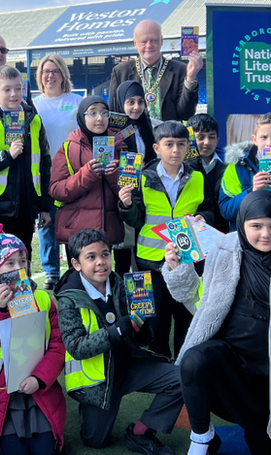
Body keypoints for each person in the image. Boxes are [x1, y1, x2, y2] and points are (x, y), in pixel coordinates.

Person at [164, 190, 271, 455]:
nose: (265, 234)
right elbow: (204, 305)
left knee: (264, 445)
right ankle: (202, 437)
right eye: (256, 226)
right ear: (242, 224)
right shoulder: (223, 253)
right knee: (195, 359)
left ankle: (260, 427)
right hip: (230, 370)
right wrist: (179, 271)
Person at [55, 228, 183, 454]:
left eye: (105, 254)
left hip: (129, 366)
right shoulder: (68, 298)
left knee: (182, 378)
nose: (101, 262)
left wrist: (143, 331)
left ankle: (140, 432)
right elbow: (76, 347)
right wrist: (117, 332)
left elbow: (138, 336)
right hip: (100, 380)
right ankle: (89, 409)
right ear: (76, 264)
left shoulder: (124, 284)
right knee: (94, 441)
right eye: (91, 257)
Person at [0, 234, 67, 455]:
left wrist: (39, 379)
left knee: (45, 450)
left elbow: (58, 346)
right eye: (10, 263)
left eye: (23, 261)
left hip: (38, 389)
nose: (19, 267)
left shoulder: (42, 298)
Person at [120, 121, 208, 359]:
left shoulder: (197, 177)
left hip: (186, 259)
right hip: (151, 260)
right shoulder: (142, 177)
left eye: (181, 144)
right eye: (169, 144)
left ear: (188, 146)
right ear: (157, 148)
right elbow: (137, 220)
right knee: (155, 320)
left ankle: (183, 366)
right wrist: (126, 205)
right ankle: (160, 367)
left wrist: (203, 217)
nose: (175, 150)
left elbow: (209, 209)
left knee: (186, 316)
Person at [0, 66, 52, 251]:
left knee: (23, 257)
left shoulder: (34, 120)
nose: (14, 94)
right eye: (7, 89)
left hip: (27, 207)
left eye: (18, 88)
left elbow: (44, 166)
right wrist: (6, 157)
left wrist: (44, 206)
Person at [49, 96, 125, 253]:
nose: (100, 118)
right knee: (77, 277)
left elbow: (129, 192)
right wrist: (87, 174)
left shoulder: (119, 146)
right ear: (81, 117)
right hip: (76, 232)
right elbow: (56, 190)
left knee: (102, 274)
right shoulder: (68, 148)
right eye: (93, 113)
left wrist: (114, 175)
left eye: (105, 113)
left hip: (107, 230)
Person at [32, 54, 81, 289]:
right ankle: (50, 270)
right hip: (44, 172)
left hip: (72, 172)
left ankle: (76, 264)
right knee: (46, 222)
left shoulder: (77, 101)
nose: (50, 75)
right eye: (45, 71)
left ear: (63, 74)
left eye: (55, 71)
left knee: (71, 221)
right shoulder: (32, 104)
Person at [109, 80, 158, 278]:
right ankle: (121, 289)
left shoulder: (147, 127)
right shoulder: (110, 130)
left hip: (144, 192)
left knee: (141, 243)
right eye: (130, 102)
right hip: (120, 192)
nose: (136, 107)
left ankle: (143, 296)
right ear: (121, 103)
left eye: (140, 101)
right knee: (122, 248)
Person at [108, 20, 202, 122]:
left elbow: (185, 114)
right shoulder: (120, 72)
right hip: (134, 136)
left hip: (168, 136)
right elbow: (114, 113)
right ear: (135, 44)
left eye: (154, 40)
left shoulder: (180, 70)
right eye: (144, 41)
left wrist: (190, 78)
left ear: (161, 41)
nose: (149, 45)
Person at [186, 113, 228, 233]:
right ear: (190, 140)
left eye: (211, 137)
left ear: (217, 140)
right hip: (193, 227)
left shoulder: (230, 163)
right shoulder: (182, 165)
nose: (207, 142)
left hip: (224, 228)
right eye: (201, 137)